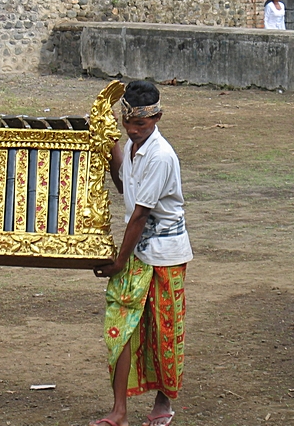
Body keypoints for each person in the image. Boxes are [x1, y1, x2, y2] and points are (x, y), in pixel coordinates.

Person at [91, 80, 193, 426]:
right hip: (136, 252)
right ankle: (119, 410)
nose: (132, 130)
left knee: (164, 330)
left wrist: (118, 261)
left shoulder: (161, 155)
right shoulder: (133, 147)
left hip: (164, 255)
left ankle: (163, 403)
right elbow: (126, 187)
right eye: (127, 123)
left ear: (157, 118)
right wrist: (111, 146)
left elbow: (139, 214)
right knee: (120, 326)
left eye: (140, 124)